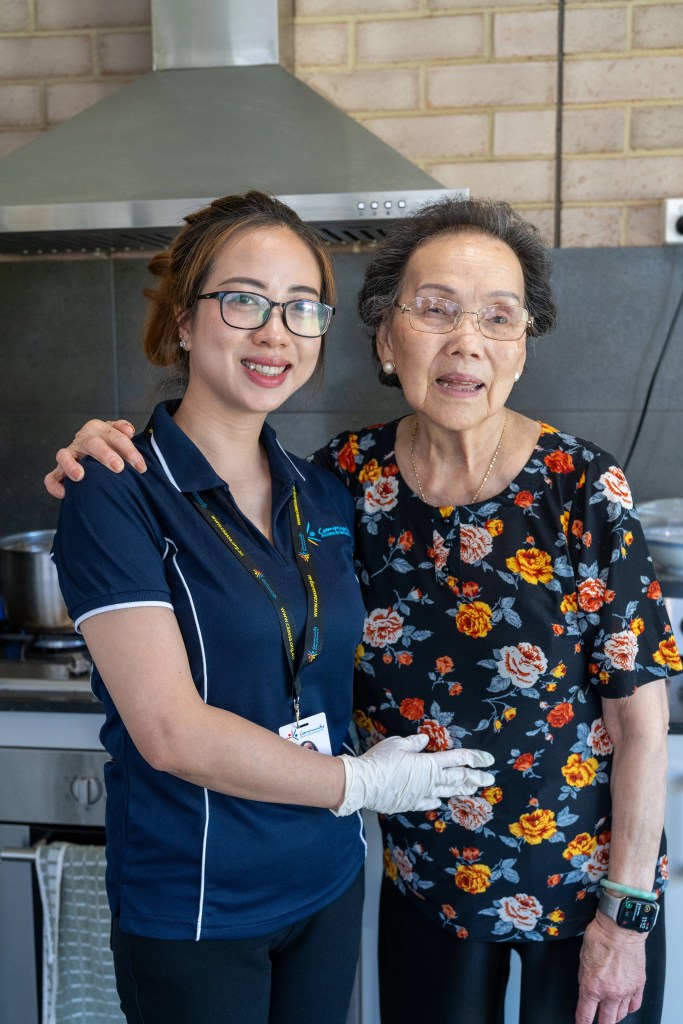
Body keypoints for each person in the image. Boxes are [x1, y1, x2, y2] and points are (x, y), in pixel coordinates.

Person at [46, 196, 676, 1024]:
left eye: (497, 317)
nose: (465, 341)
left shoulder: (579, 487)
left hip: (581, 888)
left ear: (521, 346)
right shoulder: (347, 481)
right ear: (383, 338)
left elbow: (640, 723)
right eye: (434, 309)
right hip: (422, 891)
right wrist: (97, 448)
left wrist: (625, 913)